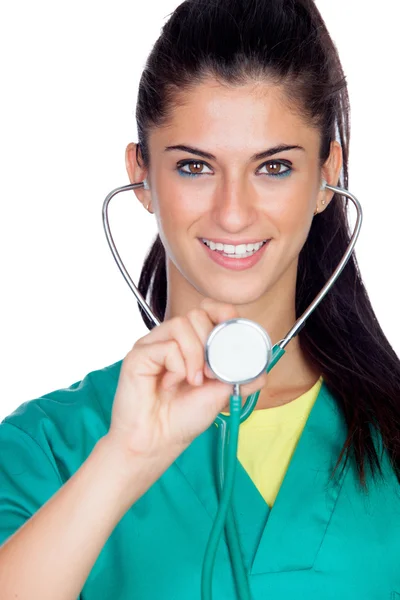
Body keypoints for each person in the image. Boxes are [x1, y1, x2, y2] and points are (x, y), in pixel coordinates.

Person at [1, 0, 400, 598]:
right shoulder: (47, 449)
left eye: (274, 167)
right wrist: (126, 460)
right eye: (194, 166)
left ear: (327, 176)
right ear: (141, 175)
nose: (233, 213)